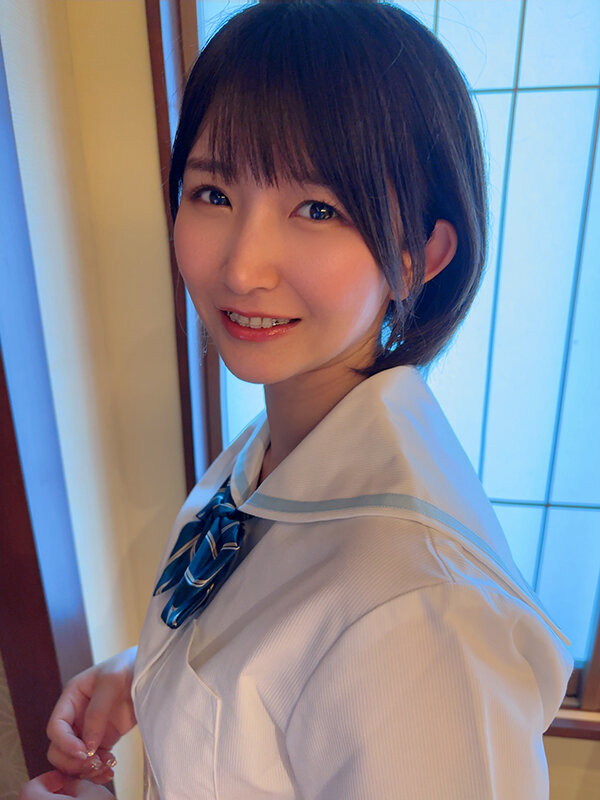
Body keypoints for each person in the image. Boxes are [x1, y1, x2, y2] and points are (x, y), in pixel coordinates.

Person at [21, 1, 574, 798]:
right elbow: (280, 650)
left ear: (420, 256)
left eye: (318, 209)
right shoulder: (281, 437)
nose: (242, 268)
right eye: (213, 192)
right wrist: (150, 674)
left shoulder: (424, 618)